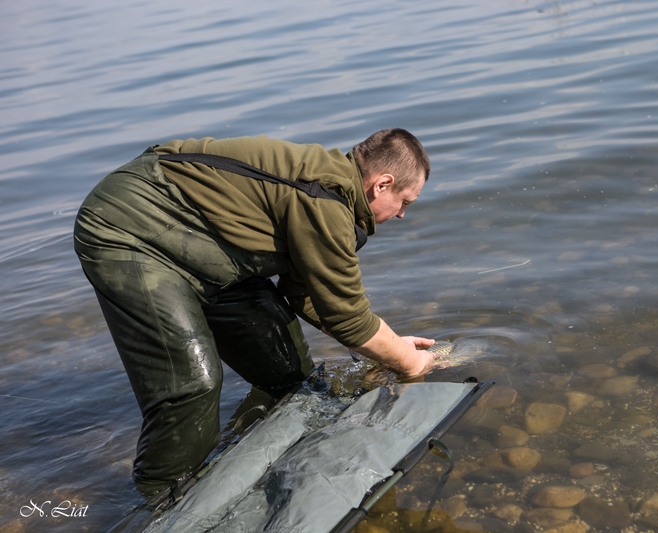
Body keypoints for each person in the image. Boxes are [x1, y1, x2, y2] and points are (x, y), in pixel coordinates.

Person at [73, 128, 440, 496]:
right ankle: (161, 496)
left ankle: (253, 456)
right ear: (382, 184)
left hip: (211, 244)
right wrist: (409, 363)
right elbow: (348, 316)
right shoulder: (325, 200)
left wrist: (386, 345)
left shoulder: (335, 197)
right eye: (405, 201)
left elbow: (312, 297)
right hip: (129, 230)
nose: (403, 214)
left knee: (289, 373)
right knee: (192, 388)